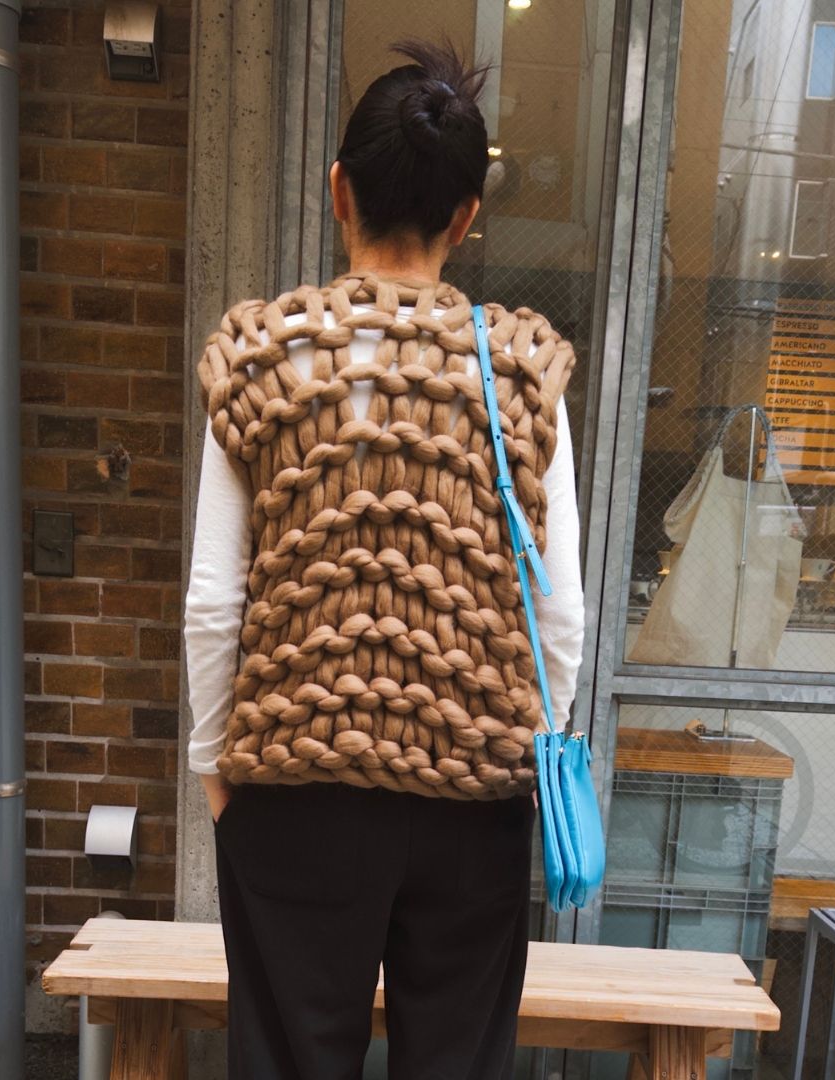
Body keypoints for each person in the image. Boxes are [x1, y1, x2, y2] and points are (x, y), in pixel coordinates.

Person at [184, 38, 585, 1080]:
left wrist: (218, 773)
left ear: (338, 192)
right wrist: (521, 758)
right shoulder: (519, 376)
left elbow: (214, 603)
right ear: (465, 217)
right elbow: (561, 617)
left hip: (295, 790)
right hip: (473, 805)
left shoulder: (266, 361)